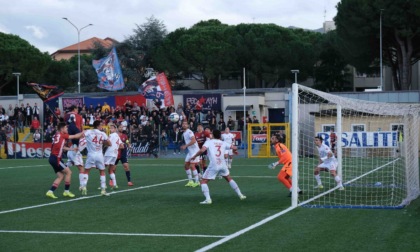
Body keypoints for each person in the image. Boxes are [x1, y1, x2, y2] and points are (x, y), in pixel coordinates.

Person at [190, 129, 246, 204]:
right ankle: (240, 195)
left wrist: (194, 156)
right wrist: (234, 151)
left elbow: (202, 150)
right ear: (220, 135)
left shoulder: (209, 142)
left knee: (203, 181)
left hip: (214, 164)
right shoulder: (223, 143)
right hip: (223, 164)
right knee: (229, 178)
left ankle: (208, 199)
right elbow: (235, 148)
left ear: (212, 135)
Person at [46, 122, 84, 199]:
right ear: (62, 129)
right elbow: (75, 136)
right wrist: (83, 132)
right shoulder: (62, 135)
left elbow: (62, 147)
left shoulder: (57, 135)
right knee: (69, 172)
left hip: (52, 158)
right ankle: (66, 191)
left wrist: (72, 149)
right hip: (56, 158)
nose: (67, 129)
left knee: (61, 176)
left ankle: (50, 192)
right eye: (66, 128)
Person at [84, 120, 111, 196]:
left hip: (91, 154)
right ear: (98, 126)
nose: (102, 126)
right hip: (99, 154)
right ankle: (103, 190)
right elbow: (109, 143)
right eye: (101, 125)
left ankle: (84, 187)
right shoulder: (103, 133)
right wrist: (103, 143)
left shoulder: (89, 132)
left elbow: (82, 135)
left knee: (86, 171)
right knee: (102, 171)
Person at [180, 120, 200, 187]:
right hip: (190, 151)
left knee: (192, 166)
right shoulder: (184, 133)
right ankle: (190, 181)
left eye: (185, 124)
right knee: (186, 165)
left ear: (188, 125)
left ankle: (197, 182)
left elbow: (194, 140)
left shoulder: (189, 132)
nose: (184, 125)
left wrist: (185, 146)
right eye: (183, 124)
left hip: (195, 151)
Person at [104, 124, 124, 190]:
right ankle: (115, 184)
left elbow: (107, 142)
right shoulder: (118, 136)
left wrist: (103, 144)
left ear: (115, 129)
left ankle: (103, 185)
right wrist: (115, 147)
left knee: (102, 168)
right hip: (114, 154)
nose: (111, 129)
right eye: (110, 128)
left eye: (112, 128)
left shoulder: (111, 135)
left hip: (109, 154)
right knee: (110, 170)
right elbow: (122, 146)